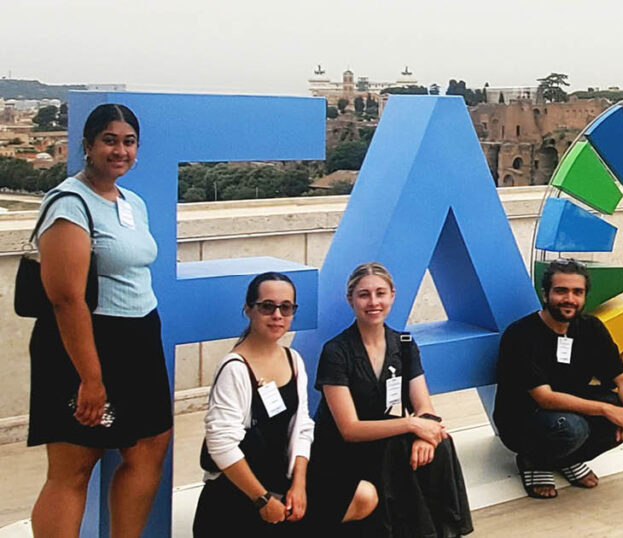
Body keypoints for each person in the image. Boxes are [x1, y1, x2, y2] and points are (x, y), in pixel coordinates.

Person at [27, 104, 172, 536]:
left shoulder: (133, 202)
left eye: (129, 142)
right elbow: (66, 299)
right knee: (74, 465)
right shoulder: (69, 205)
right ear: (88, 146)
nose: (120, 150)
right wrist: (90, 378)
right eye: (110, 140)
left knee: (148, 447)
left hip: (138, 336)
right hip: (86, 343)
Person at [193, 272, 375, 535]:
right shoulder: (234, 368)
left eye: (286, 307)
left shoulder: (294, 360)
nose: (277, 315)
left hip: (282, 481)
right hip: (241, 491)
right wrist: (262, 499)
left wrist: (299, 484)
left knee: (364, 495)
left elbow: (302, 426)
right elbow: (220, 444)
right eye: (267, 306)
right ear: (248, 310)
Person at [309, 262, 473, 536]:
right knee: (398, 449)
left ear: (392, 296)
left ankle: (447, 530)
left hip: (382, 437)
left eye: (380, 293)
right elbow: (349, 429)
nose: (373, 302)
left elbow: (424, 406)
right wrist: (412, 426)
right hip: (340, 449)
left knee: (440, 443)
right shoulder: (336, 351)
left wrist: (424, 433)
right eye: (364, 295)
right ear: (351, 300)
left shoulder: (404, 344)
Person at [494, 258, 623, 499]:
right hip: (525, 419)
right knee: (571, 429)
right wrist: (606, 410)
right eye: (561, 291)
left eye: (577, 292)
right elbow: (544, 398)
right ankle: (534, 461)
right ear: (545, 294)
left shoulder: (590, 327)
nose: (570, 299)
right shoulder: (521, 334)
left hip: (572, 409)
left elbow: (622, 376)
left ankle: (569, 459)